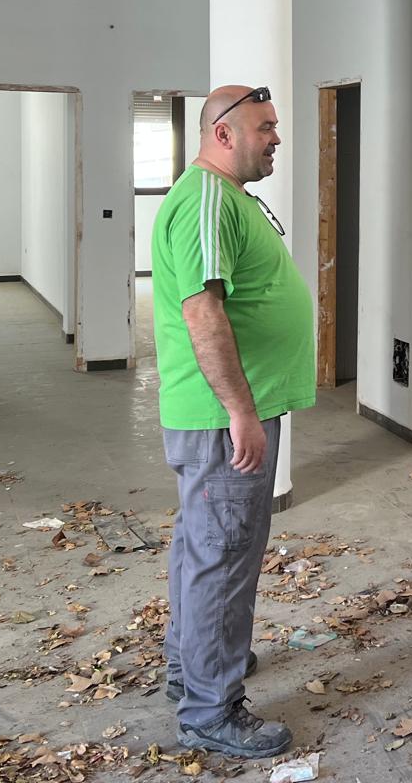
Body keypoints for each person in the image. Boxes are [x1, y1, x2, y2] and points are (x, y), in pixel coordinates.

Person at [151, 84, 316, 757]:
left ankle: (191, 670)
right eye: (264, 127)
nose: (276, 137)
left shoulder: (227, 197)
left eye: (275, 125)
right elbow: (203, 312)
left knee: (204, 548)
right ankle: (210, 711)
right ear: (223, 134)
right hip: (223, 420)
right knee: (222, 558)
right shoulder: (206, 199)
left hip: (229, 415)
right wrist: (241, 412)